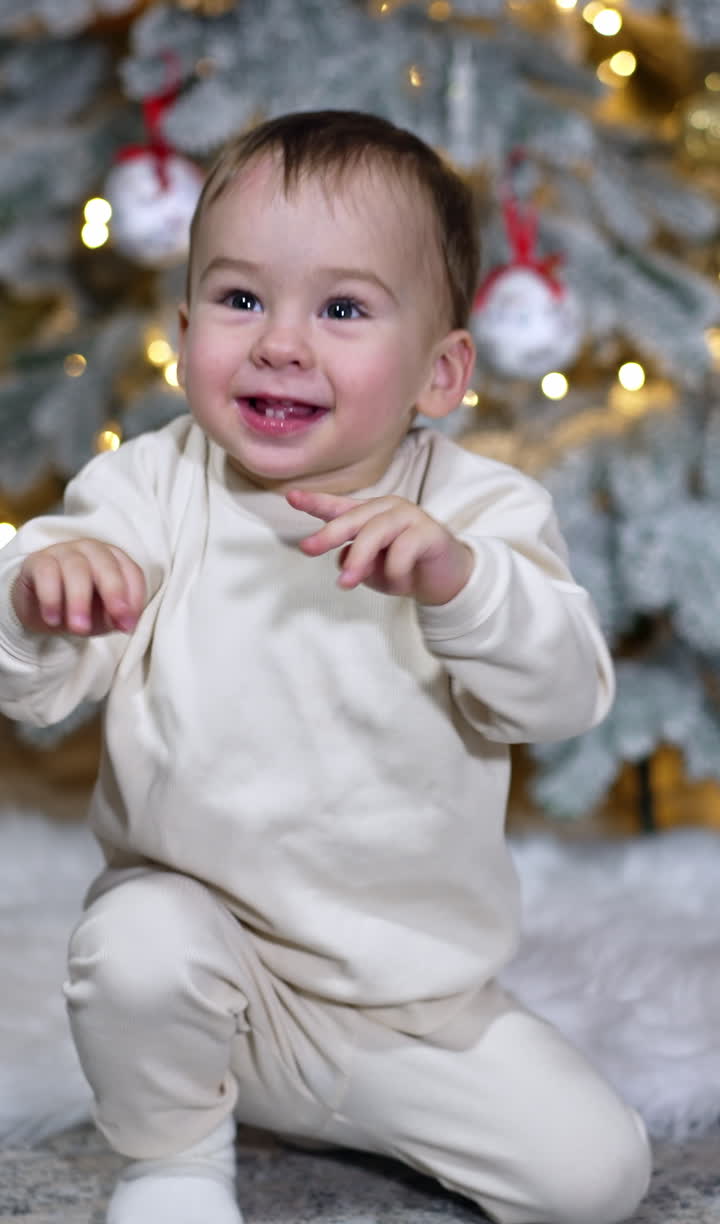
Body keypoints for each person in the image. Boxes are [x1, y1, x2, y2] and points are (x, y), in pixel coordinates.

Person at [0, 110, 651, 1224]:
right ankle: (177, 1150)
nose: (280, 343)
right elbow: (42, 688)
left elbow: (561, 692)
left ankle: (318, 1098)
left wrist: (460, 583)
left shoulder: (479, 513)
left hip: (413, 1004)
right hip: (209, 964)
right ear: (185, 321)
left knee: (596, 1177)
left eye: (343, 308)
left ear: (442, 372)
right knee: (139, 941)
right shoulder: (154, 488)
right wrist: (44, 597)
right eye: (241, 298)